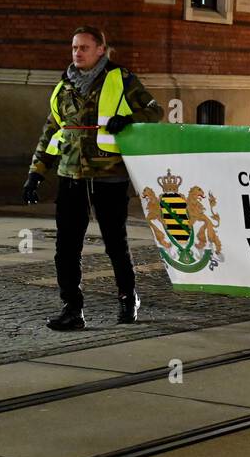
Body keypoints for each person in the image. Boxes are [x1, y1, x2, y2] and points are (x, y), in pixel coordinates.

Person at [24, 26, 163, 330]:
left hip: (109, 176)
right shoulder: (64, 86)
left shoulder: (120, 78)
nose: (77, 53)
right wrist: (36, 173)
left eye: (84, 48)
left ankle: (128, 298)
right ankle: (72, 309)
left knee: (115, 243)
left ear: (101, 49)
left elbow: (154, 111)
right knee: (66, 247)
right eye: (74, 48)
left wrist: (127, 120)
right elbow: (52, 132)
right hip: (70, 175)